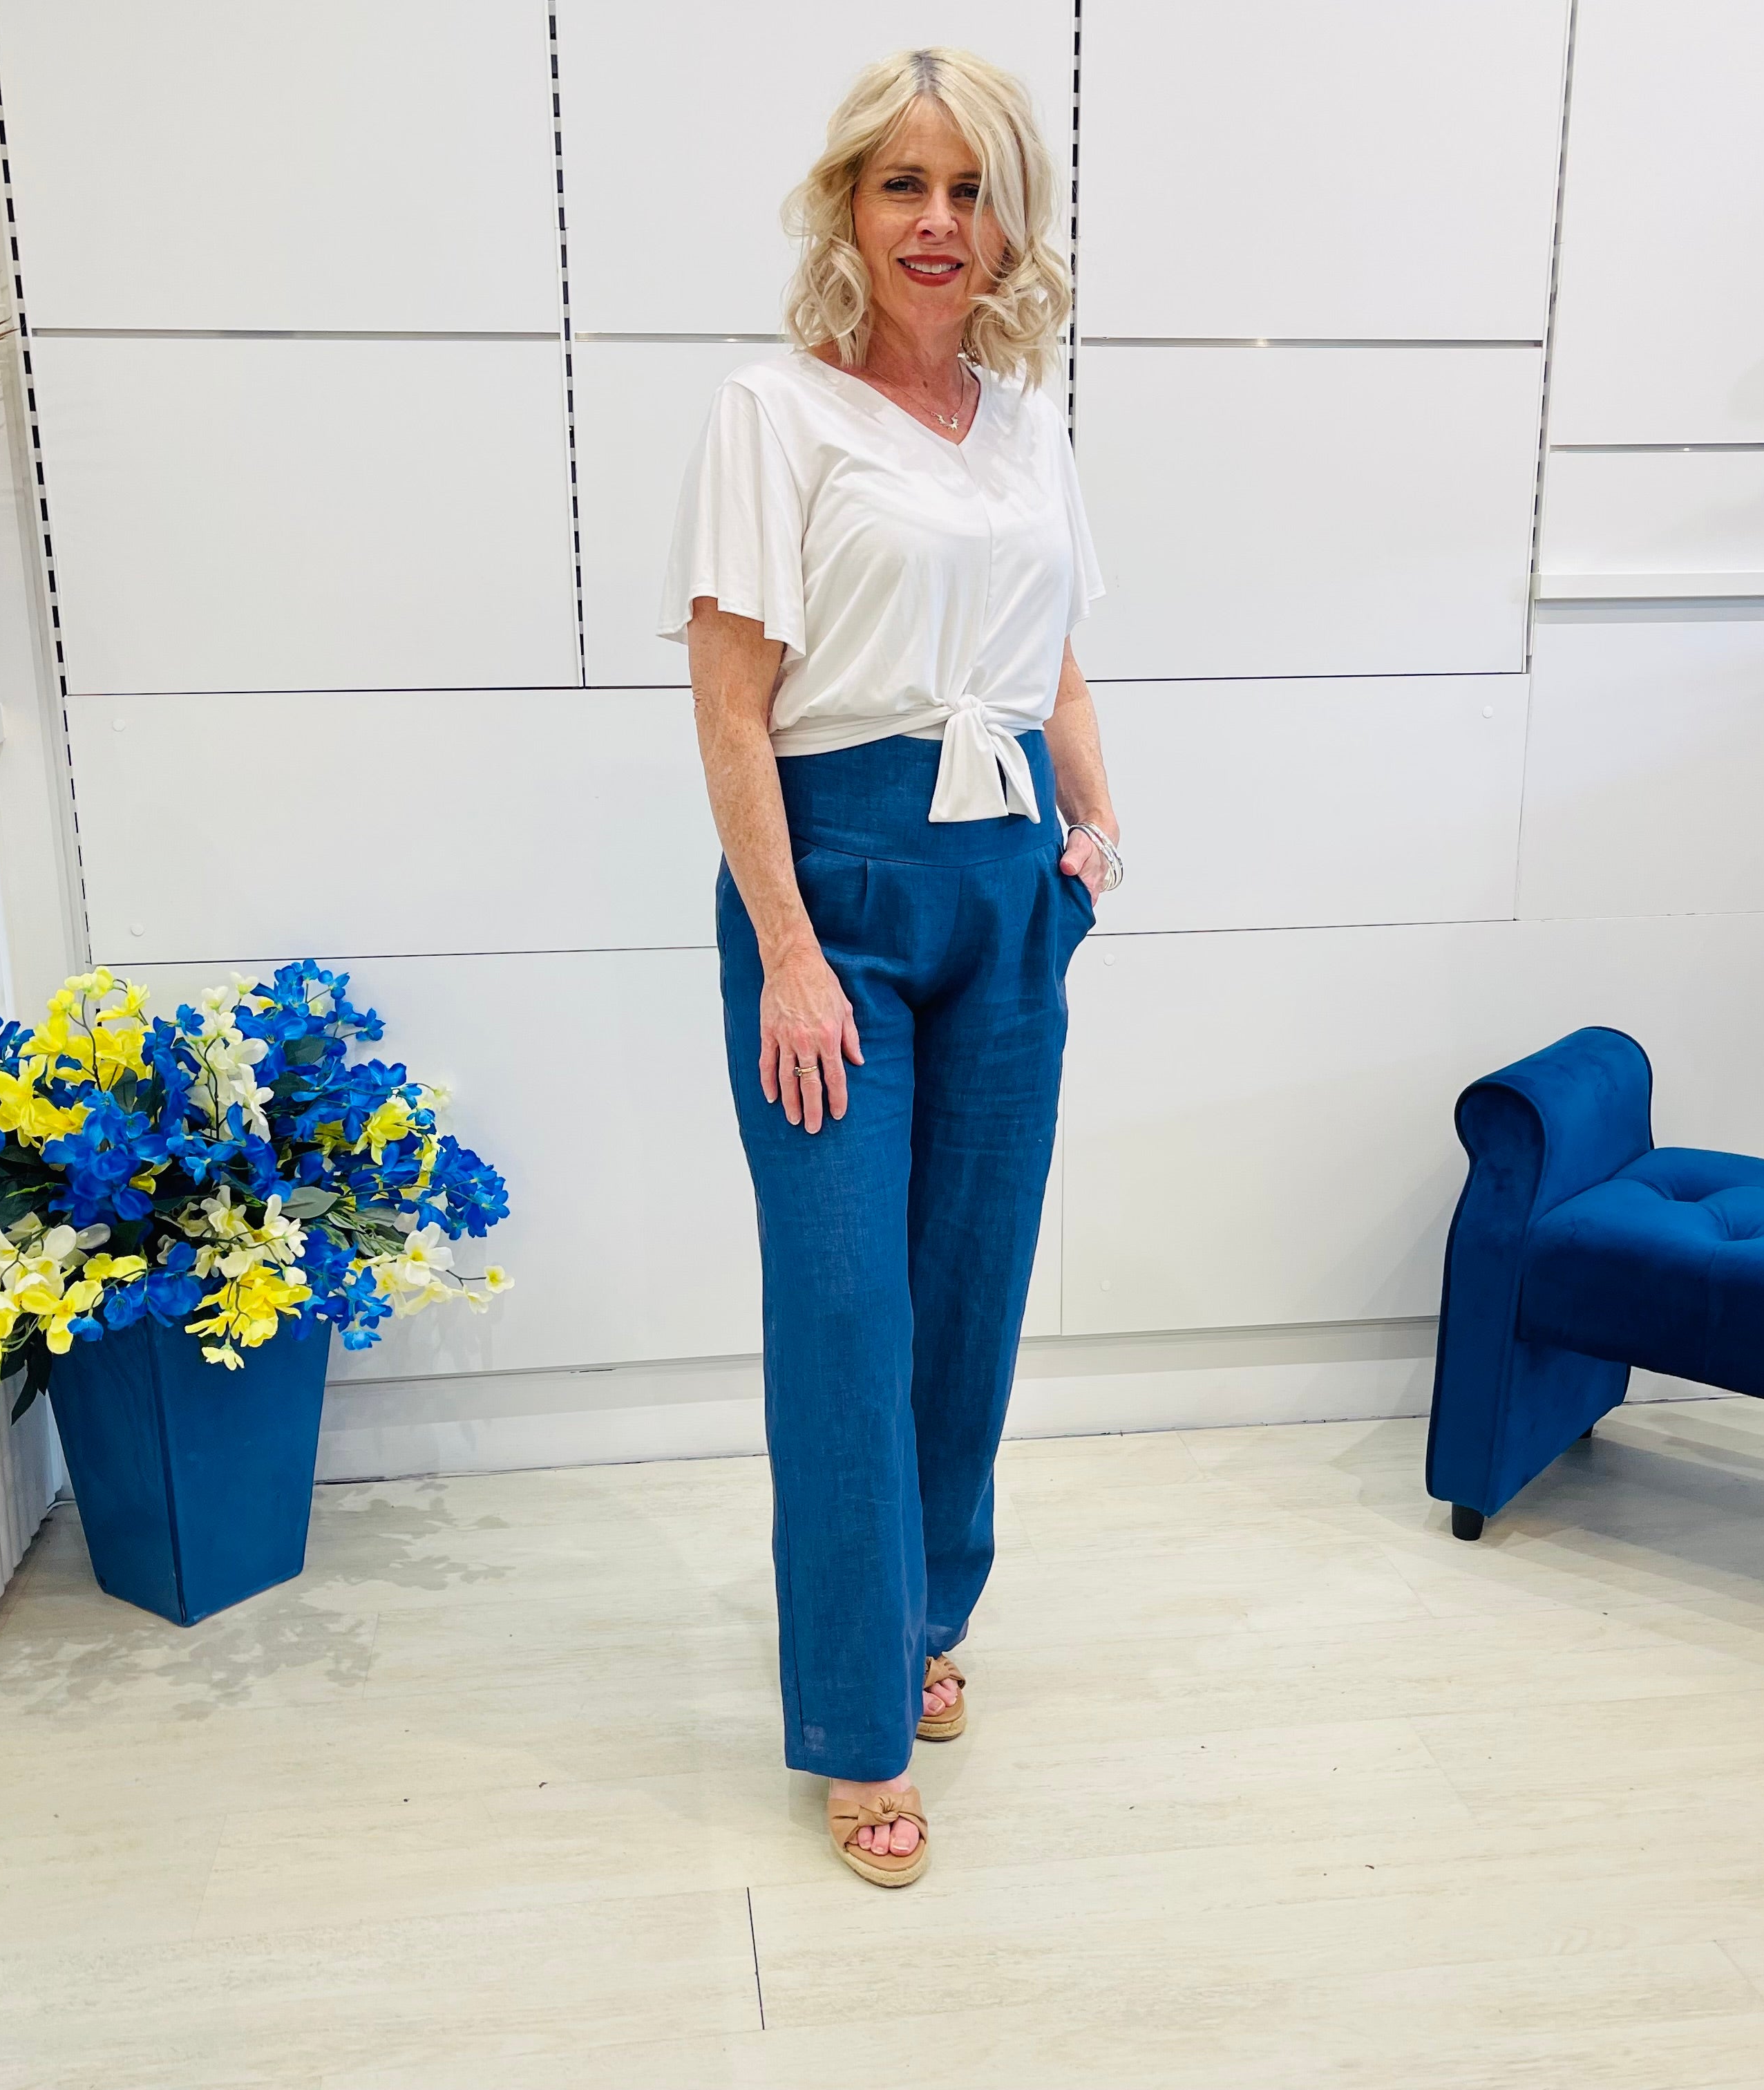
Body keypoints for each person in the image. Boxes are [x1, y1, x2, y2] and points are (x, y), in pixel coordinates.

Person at [663, 45, 1121, 1888]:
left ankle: (927, 1615)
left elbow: (1056, 652)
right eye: (902, 186)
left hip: (1007, 883)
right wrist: (786, 950)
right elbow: (727, 698)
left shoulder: (1025, 423)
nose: (939, 225)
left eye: (973, 190)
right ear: (849, 207)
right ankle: (855, 1726)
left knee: (966, 1294)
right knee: (848, 1317)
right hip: (829, 892)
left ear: (1013, 220)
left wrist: (1094, 828)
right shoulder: (775, 414)